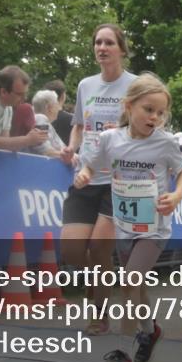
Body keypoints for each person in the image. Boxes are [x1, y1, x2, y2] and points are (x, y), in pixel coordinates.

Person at [73, 73, 182, 362]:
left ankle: (122, 352)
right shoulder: (111, 139)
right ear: (128, 106)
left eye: (160, 113)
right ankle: (150, 330)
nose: (155, 117)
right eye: (148, 109)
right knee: (135, 288)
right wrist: (84, 174)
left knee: (128, 283)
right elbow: (90, 162)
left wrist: (176, 195)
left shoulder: (164, 143)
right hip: (124, 225)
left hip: (154, 228)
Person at [58, 23, 137, 336]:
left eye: (109, 43)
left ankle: (100, 315)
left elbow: (145, 124)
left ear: (121, 49)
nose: (102, 48)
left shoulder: (135, 86)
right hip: (85, 175)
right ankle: (99, 284)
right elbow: (78, 125)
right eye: (97, 43)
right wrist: (71, 147)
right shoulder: (85, 85)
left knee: (100, 248)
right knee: (73, 251)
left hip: (117, 180)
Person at [31, 89, 66, 155]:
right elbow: (44, 150)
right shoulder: (40, 118)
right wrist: (66, 156)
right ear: (49, 108)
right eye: (57, 104)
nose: (59, 108)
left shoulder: (43, 121)